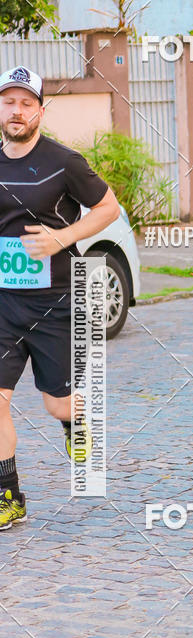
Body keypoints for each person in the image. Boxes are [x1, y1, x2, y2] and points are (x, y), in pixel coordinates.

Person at [0, 66, 120, 529]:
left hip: (55, 302)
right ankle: (8, 494)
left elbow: (108, 208)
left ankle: (75, 424)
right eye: (9, 102)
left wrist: (61, 238)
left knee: (59, 403)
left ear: (40, 111)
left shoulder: (63, 161)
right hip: (4, 304)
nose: (17, 111)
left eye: (26, 103)